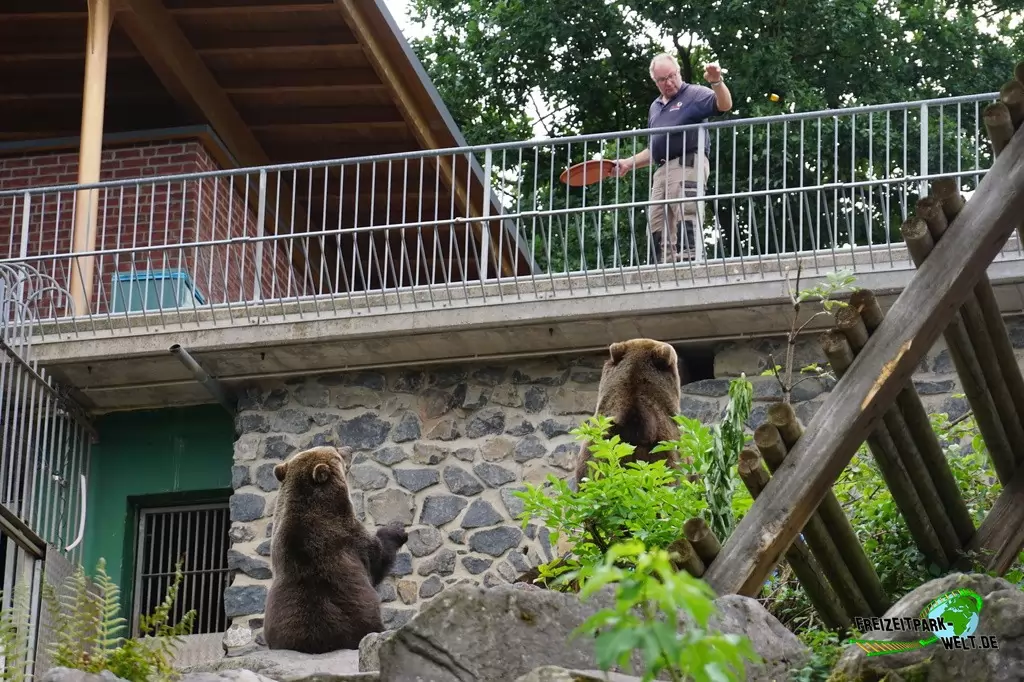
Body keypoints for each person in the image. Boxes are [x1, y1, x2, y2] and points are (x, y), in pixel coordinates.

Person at [613, 53, 732, 263]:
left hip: (687, 163)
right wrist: (628, 163)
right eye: (662, 79)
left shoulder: (693, 94)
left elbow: (724, 105)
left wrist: (716, 82)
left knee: (687, 212)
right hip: (661, 170)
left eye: (671, 76)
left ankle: (691, 263)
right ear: (655, 82)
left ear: (678, 72)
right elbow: (655, 148)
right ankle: (663, 268)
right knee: (656, 223)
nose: (668, 82)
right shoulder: (655, 107)